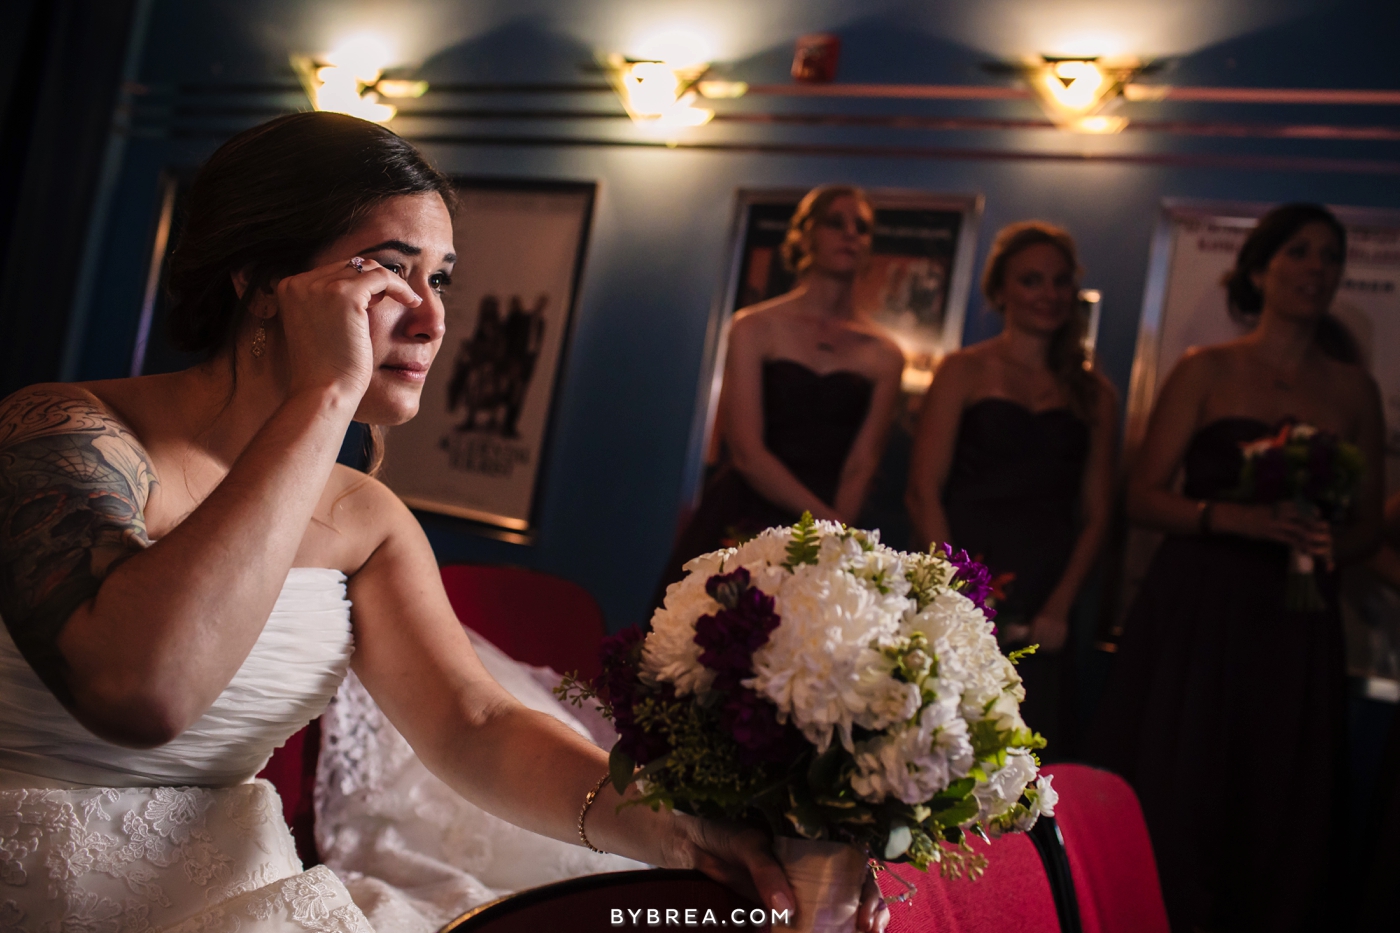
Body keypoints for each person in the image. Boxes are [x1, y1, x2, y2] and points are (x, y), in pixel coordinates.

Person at [0, 113, 888, 931]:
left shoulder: (366, 516)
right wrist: (324, 395)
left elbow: (474, 722)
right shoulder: (62, 432)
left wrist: (677, 827)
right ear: (262, 282)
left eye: (441, 279)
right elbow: (141, 687)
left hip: (242, 896)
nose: (431, 317)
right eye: (388, 271)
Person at [1089, 203, 1384, 933]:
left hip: (1296, 617)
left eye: (1330, 257)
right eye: (1300, 253)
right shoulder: (1207, 369)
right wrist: (1232, 517)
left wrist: (1322, 540)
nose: (1317, 269)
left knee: (1277, 790)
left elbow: (1369, 524)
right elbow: (1143, 496)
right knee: (1181, 776)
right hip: (1200, 608)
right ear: (1260, 268)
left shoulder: (1353, 390)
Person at [905, 222, 1117, 755]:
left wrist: (1062, 604)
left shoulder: (1094, 393)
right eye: (1031, 281)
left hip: (1050, 583)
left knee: (1030, 740)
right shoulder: (963, 370)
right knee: (941, 734)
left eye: (1059, 281)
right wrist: (954, 586)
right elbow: (922, 490)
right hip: (965, 564)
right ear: (1000, 292)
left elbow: (1097, 512)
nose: (1048, 294)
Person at [655, 185, 904, 597]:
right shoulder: (754, 326)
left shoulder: (885, 354)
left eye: (862, 227)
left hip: (832, 515)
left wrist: (837, 539)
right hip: (749, 509)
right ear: (804, 236)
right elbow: (748, 452)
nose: (850, 234)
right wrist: (830, 527)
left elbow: (863, 462)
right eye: (835, 222)